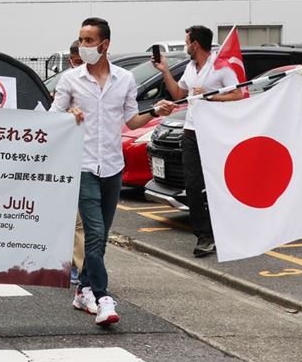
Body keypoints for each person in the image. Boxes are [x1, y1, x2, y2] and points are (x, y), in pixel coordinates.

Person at [50, 17, 174, 326]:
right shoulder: (70, 80)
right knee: (93, 232)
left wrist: (154, 111)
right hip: (83, 165)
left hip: (112, 166)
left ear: (104, 45)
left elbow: (132, 121)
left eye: (89, 41)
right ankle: (103, 298)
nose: (83, 46)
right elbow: (52, 119)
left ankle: (83, 290)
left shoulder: (124, 79)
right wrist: (69, 113)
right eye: (81, 40)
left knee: (101, 236)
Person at [153, 25, 242, 257]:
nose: (185, 47)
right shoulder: (190, 68)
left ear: (195, 44)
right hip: (191, 132)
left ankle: (229, 232)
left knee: (219, 184)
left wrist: (211, 96)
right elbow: (178, 94)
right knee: (192, 186)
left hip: (216, 133)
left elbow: (240, 94)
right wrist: (164, 71)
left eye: (186, 43)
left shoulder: (221, 66)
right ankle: (204, 236)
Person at [66, 40, 85, 284]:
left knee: (87, 222)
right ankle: (77, 266)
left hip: (98, 161)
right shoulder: (67, 83)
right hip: (72, 157)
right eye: (77, 61)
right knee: (77, 220)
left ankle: (82, 266)